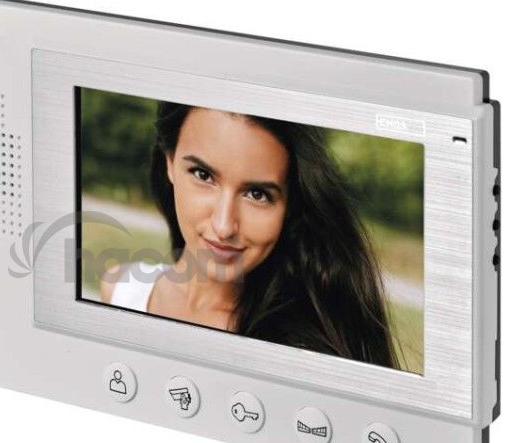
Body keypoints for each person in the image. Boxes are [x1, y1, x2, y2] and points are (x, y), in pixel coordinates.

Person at [100, 102, 400, 369]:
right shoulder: (122, 288)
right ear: (169, 162)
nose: (224, 226)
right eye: (203, 175)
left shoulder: (296, 353)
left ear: (290, 205)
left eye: (257, 194)